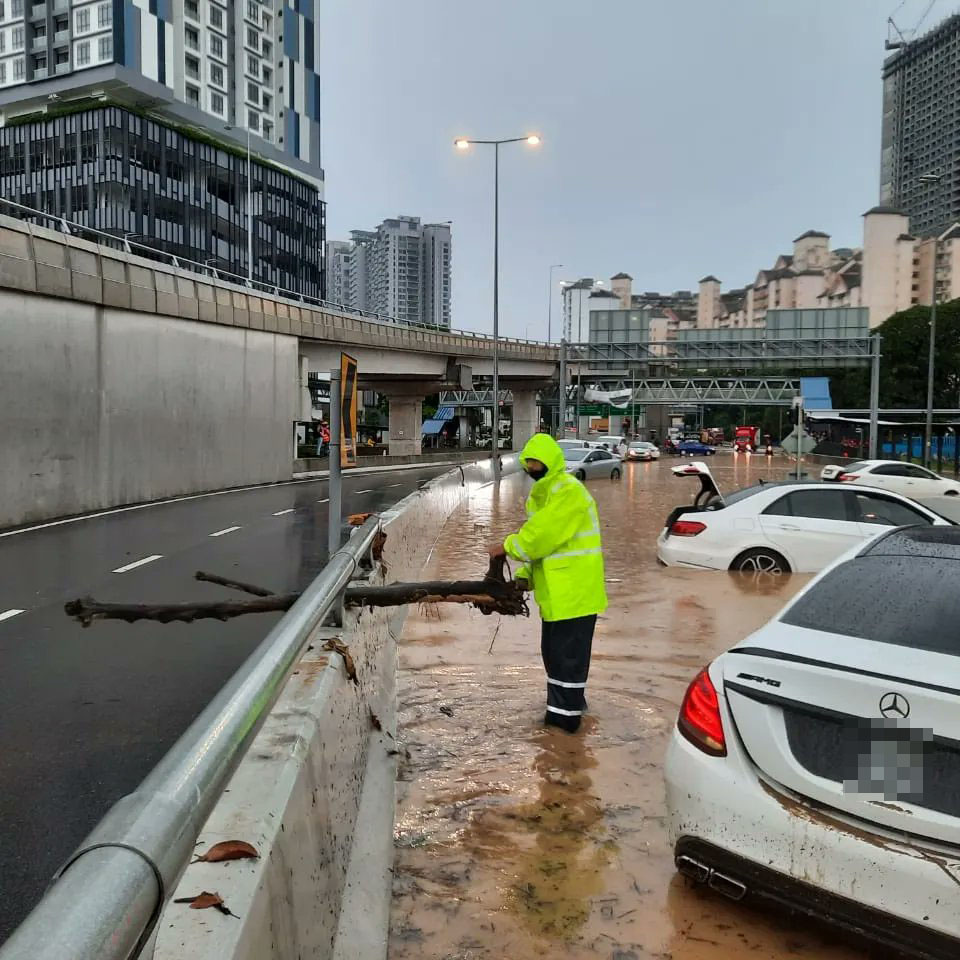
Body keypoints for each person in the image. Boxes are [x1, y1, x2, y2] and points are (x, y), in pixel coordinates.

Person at [488, 433, 607, 733]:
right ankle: (568, 708)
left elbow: (540, 537)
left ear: (550, 462)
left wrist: (506, 546)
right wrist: (524, 578)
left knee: (567, 660)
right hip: (557, 597)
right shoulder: (544, 494)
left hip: (575, 594)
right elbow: (546, 550)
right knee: (554, 656)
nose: (531, 467)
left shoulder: (567, 491)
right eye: (528, 462)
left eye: (536, 462)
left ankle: (563, 730)